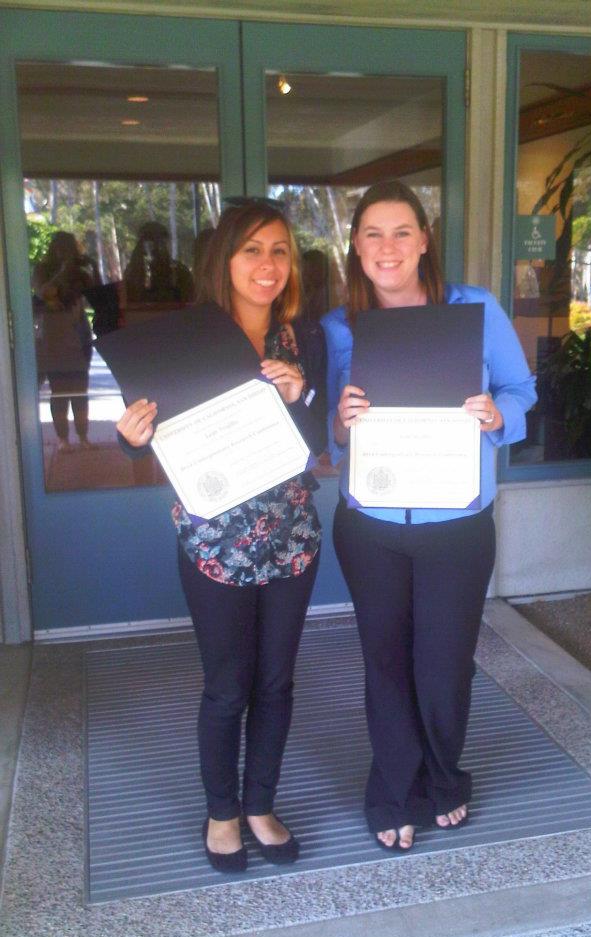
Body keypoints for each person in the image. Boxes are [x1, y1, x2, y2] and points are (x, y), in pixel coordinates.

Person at [321, 181, 537, 852]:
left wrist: (499, 417)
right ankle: (393, 789)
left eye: (402, 232)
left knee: (443, 665)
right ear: (355, 247)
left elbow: (520, 390)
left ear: (424, 239)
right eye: (373, 234)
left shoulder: (474, 309)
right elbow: (330, 436)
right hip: (372, 527)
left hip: (457, 525)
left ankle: (443, 777)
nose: (388, 247)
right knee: (385, 663)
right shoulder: (337, 327)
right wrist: (340, 421)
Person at [116, 199, 327, 872]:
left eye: (279, 251)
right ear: (224, 261)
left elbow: (320, 445)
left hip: (291, 537)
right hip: (215, 545)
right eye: (252, 250)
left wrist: (305, 397)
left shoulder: (303, 340)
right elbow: (154, 441)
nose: (268, 265)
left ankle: (261, 805)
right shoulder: (184, 341)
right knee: (227, 686)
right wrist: (131, 441)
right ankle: (222, 813)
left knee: (277, 683)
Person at [32, 231, 100, 451]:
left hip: (78, 336)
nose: (65, 252)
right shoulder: (42, 271)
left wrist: (94, 268)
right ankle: (63, 439)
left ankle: (83, 436)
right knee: (59, 390)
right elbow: (42, 292)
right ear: (53, 249)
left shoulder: (79, 273)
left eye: (69, 248)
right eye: (60, 248)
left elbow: (98, 296)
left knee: (80, 388)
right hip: (54, 338)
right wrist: (62, 271)